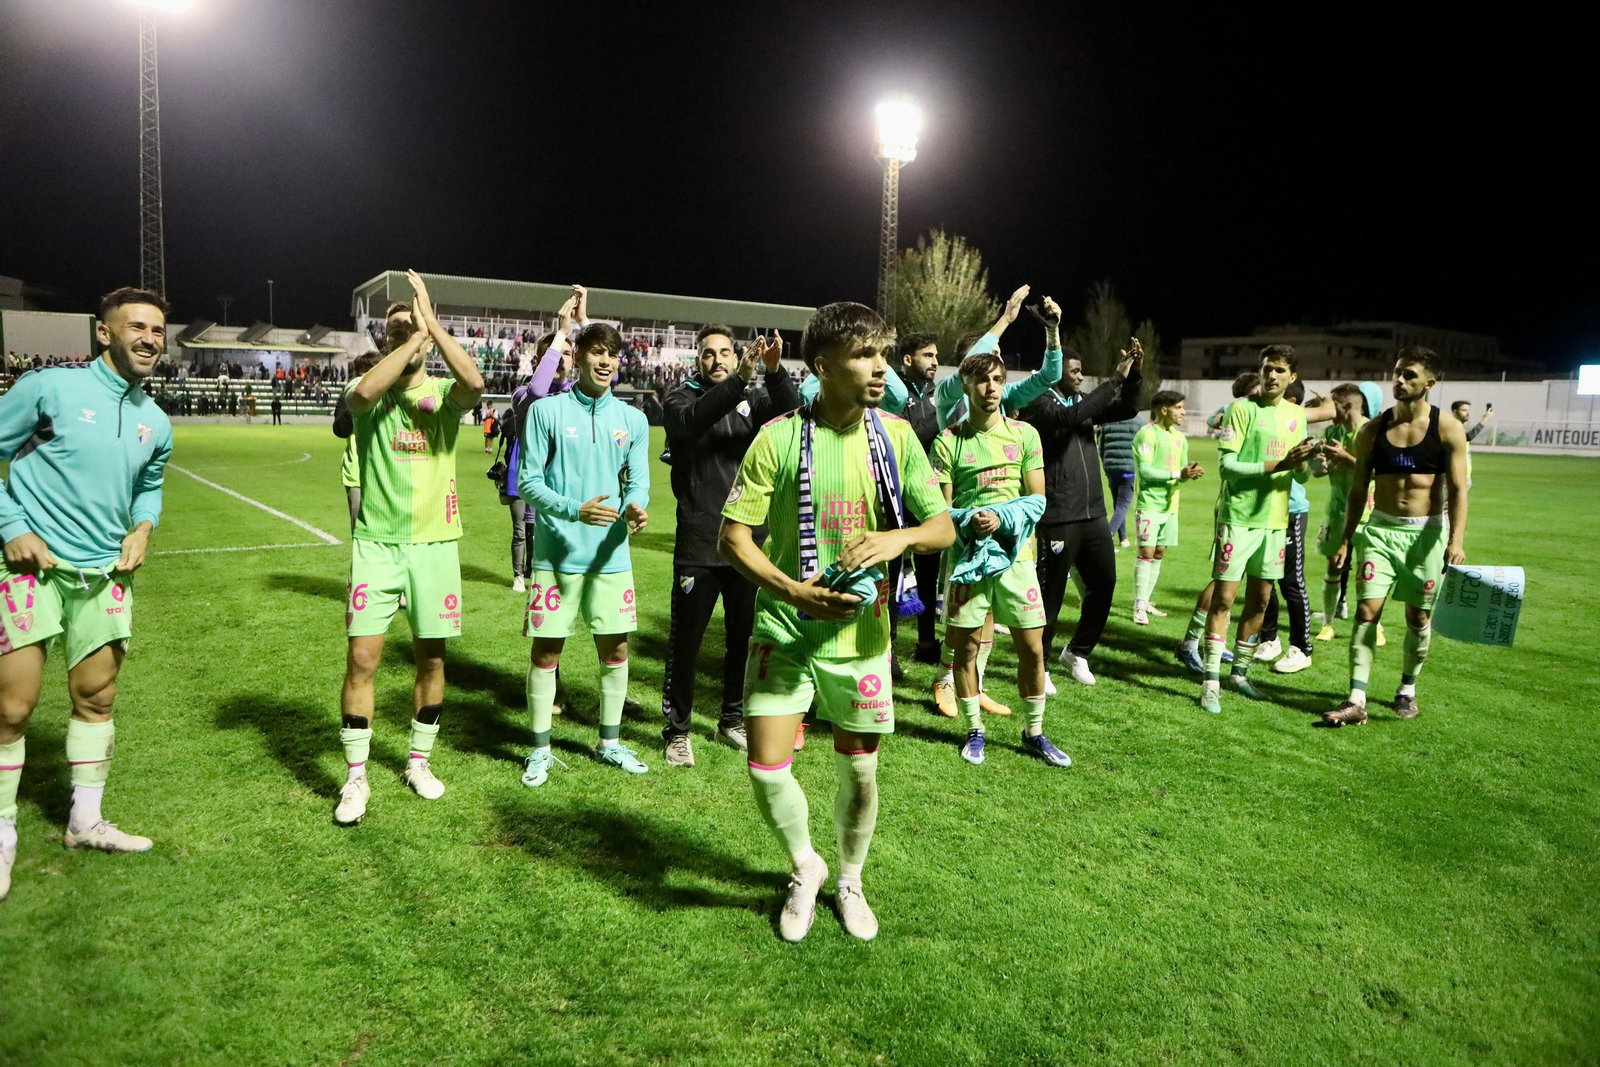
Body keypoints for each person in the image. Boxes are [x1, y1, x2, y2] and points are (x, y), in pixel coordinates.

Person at [719, 302, 954, 942]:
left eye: (884, 352)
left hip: (862, 638)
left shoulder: (898, 436)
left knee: (859, 768)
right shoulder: (778, 436)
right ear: (823, 367)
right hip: (787, 628)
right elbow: (732, 539)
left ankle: (851, 877)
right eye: (865, 355)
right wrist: (793, 591)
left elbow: (943, 526)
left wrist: (897, 539)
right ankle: (806, 867)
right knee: (766, 766)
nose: (881, 367)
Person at [0, 286, 174, 899]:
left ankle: (85, 822)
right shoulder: (51, 389)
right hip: (32, 569)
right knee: (12, 709)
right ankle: (1, 838)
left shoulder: (156, 419)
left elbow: (150, 482)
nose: (150, 338)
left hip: (105, 575)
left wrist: (144, 524)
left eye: (157, 329)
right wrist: (11, 526)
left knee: (96, 699)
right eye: (137, 327)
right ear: (106, 333)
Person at [335, 271, 485, 825]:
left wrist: (433, 327)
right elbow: (363, 394)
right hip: (376, 544)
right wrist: (413, 339)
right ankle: (356, 779)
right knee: (362, 658)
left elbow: (473, 382)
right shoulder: (372, 394)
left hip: (436, 546)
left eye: (411, 326)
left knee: (433, 658)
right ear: (386, 339)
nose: (406, 334)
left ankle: (418, 762)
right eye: (396, 329)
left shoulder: (442, 396)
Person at [659, 325, 800, 766]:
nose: (716, 360)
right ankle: (677, 731)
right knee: (687, 643)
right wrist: (740, 377)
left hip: (748, 542)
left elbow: (793, 415)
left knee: (742, 638)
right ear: (696, 360)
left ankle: (730, 720)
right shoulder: (679, 400)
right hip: (699, 544)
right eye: (708, 354)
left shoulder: (755, 402)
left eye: (724, 352)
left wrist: (773, 373)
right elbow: (694, 422)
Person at [518, 321, 652, 784]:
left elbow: (639, 482)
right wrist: (575, 510)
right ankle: (539, 749)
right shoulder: (546, 412)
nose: (605, 361)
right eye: (596, 352)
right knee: (546, 651)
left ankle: (610, 743)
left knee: (615, 647)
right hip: (557, 556)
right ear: (578, 356)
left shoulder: (633, 420)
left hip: (611, 556)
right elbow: (529, 482)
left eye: (612, 353)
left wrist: (636, 507)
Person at [1323, 348, 1469, 726]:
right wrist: (1345, 539)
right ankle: (1356, 699)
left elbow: (1458, 490)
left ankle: (1406, 689)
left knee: (1417, 617)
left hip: (1426, 535)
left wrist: (1456, 540)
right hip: (1381, 532)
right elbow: (1358, 490)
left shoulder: (1448, 428)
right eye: (1397, 374)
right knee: (1366, 612)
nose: (1399, 382)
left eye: (1409, 376)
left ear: (1429, 383)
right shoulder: (1373, 430)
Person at [931, 350, 1063, 767]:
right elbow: (942, 511)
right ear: (966, 386)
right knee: (966, 649)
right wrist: (971, 520)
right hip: (967, 561)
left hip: (1016, 558)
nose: (992, 388)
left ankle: (1035, 732)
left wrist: (1001, 517)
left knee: (1033, 648)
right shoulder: (947, 441)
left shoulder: (1025, 435)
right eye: (983, 381)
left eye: (999, 380)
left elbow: (1038, 499)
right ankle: (974, 731)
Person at [1014, 335, 1143, 690]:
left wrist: (1133, 375)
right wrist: (1113, 379)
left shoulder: (1080, 400)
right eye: (1073, 370)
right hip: (1058, 515)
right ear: (1054, 372)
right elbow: (1072, 417)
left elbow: (1127, 409)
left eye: (1081, 371)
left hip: (1093, 514)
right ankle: (1039, 666)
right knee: (1049, 598)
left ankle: (1078, 651)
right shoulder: (1039, 404)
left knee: (1104, 584)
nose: (1079, 376)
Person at [1194, 345, 1315, 715]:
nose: (1272, 375)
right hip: (1239, 518)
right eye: (1267, 369)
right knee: (1225, 599)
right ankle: (1211, 681)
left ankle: (1240, 674)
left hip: (1276, 523)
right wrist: (1281, 463)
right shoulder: (1241, 409)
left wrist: (1307, 462)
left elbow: (1301, 474)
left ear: (1292, 377)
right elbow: (1228, 467)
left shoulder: (1297, 415)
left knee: (1261, 601)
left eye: (1280, 370)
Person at [885, 331, 943, 672]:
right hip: (893, 490)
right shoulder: (892, 393)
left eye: (936, 356)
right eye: (928, 355)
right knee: (890, 573)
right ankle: (888, 647)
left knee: (928, 571)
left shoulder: (941, 396)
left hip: (926, 493)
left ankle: (926, 642)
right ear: (907, 360)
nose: (935, 362)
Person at [1253, 379, 1317, 673]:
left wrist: (1306, 462)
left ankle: (1302, 648)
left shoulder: (1297, 423)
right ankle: (1270, 639)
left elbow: (1305, 476)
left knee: (1291, 581)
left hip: (1291, 511)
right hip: (1262, 511)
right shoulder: (1260, 419)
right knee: (1264, 578)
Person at [1130, 391, 1204, 625]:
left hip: (1170, 506)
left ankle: (1147, 600)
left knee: (1159, 552)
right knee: (1147, 552)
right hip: (1150, 504)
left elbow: (1181, 473)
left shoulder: (1180, 438)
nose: (1183, 412)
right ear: (1164, 410)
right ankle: (1139, 605)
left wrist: (1189, 473)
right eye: (1179, 407)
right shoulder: (1147, 434)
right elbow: (1146, 471)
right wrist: (1177, 473)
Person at [1312, 383, 1371, 643]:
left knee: (1367, 571)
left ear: (1347, 405)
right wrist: (1322, 465)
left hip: (1367, 512)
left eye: (1332, 403)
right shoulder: (1330, 430)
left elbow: (1378, 471)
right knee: (1334, 565)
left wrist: (1345, 457)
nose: (1327, 409)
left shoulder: (1369, 431)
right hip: (1336, 509)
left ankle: (1373, 626)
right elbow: (1317, 471)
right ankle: (1328, 623)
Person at [334, 351, 383, 530]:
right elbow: (340, 429)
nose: (362, 377)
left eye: (368, 371)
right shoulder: (348, 395)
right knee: (360, 531)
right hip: (356, 473)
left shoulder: (390, 394)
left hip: (386, 472)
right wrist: (355, 402)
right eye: (359, 372)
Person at [1099, 413, 1144, 549]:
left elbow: (1101, 446)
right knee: (1123, 505)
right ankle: (1106, 537)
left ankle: (1123, 538)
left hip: (1112, 468)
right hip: (1129, 469)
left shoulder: (1108, 422)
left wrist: (1106, 465)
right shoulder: (1140, 424)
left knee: (1117, 504)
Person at [1451, 399, 1492, 489]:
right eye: (1464, 410)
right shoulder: (1452, 425)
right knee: (1452, 502)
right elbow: (1467, 438)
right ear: (1455, 412)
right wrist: (1484, 420)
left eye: (1468, 410)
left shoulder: (1460, 426)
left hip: (1463, 472)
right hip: (1456, 472)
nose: (1468, 413)